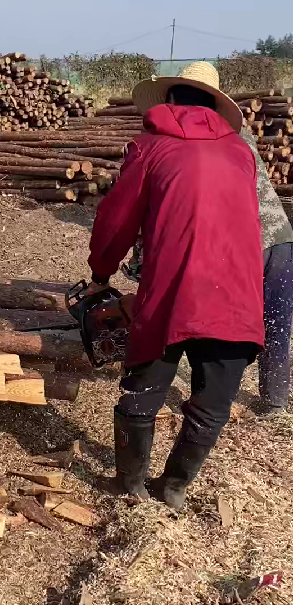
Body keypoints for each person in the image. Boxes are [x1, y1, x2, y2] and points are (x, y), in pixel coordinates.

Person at [86, 62, 265, 510]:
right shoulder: (241, 152)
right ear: (215, 107)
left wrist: (100, 274)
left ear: (169, 100)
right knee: (211, 405)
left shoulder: (150, 147)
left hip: (173, 291)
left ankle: (129, 486)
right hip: (238, 295)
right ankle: (173, 488)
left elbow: (117, 219)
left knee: (142, 392)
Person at [124, 128, 292, 416]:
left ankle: (210, 400)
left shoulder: (170, 146)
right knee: (275, 325)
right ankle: (274, 402)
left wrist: (142, 266)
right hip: (281, 238)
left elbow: (155, 211)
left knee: (218, 323)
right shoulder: (237, 136)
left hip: (243, 246)